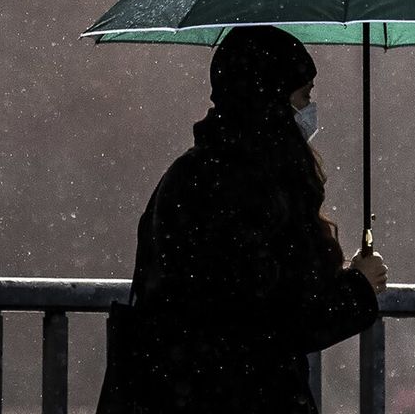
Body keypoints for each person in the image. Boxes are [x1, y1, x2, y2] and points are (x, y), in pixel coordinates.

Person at [127, 26, 388, 413]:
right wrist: (358, 288)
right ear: (272, 100)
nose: (309, 110)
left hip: (175, 393)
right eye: (304, 96)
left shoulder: (188, 174)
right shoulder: (252, 188)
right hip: (248, 396)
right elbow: (279, 317)